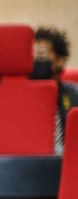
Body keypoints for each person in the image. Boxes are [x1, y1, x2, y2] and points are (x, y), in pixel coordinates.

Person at [33, 27, 78, 155]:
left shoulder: (75, 95)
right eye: (31, 55)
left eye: (42, 53)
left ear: (60, 60)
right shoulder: (18, 98)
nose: (35, 59)